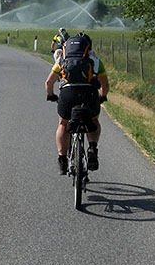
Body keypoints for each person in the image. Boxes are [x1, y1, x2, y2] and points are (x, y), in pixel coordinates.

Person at [44, 33, 109, 175]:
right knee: (94, 120)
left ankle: (62, 160)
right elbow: (105, 84)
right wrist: (102, 97)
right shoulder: (95, 61)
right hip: (89, 94)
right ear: (88, 47)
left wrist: (51, 95)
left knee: (63, 124)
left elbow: (49, 82)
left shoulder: (63, 59)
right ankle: (92, 149)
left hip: (68, 94)